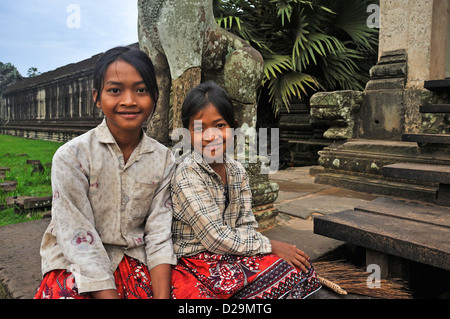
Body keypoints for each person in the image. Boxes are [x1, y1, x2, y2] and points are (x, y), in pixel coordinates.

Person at [34, 46, 177, 299]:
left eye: (141, 90)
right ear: (97, 97)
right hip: (75, 263)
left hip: (134, 257)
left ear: (155, 96)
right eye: (115, 90)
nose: (129, 100)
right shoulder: (72, 157)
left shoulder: (164, 159)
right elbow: (78, 237)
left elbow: (158, 234)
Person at [170, 81, 321, 299]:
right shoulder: (188, 173)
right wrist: (271, 245)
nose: (211, 136)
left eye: (220, 125)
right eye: (200, 128)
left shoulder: (237, 171)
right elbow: (214, 238)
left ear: (234, 128)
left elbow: (246, 224)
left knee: (298, 271)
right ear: (187, 135)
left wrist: (263, 250)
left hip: (231, 251)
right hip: (195, 258)